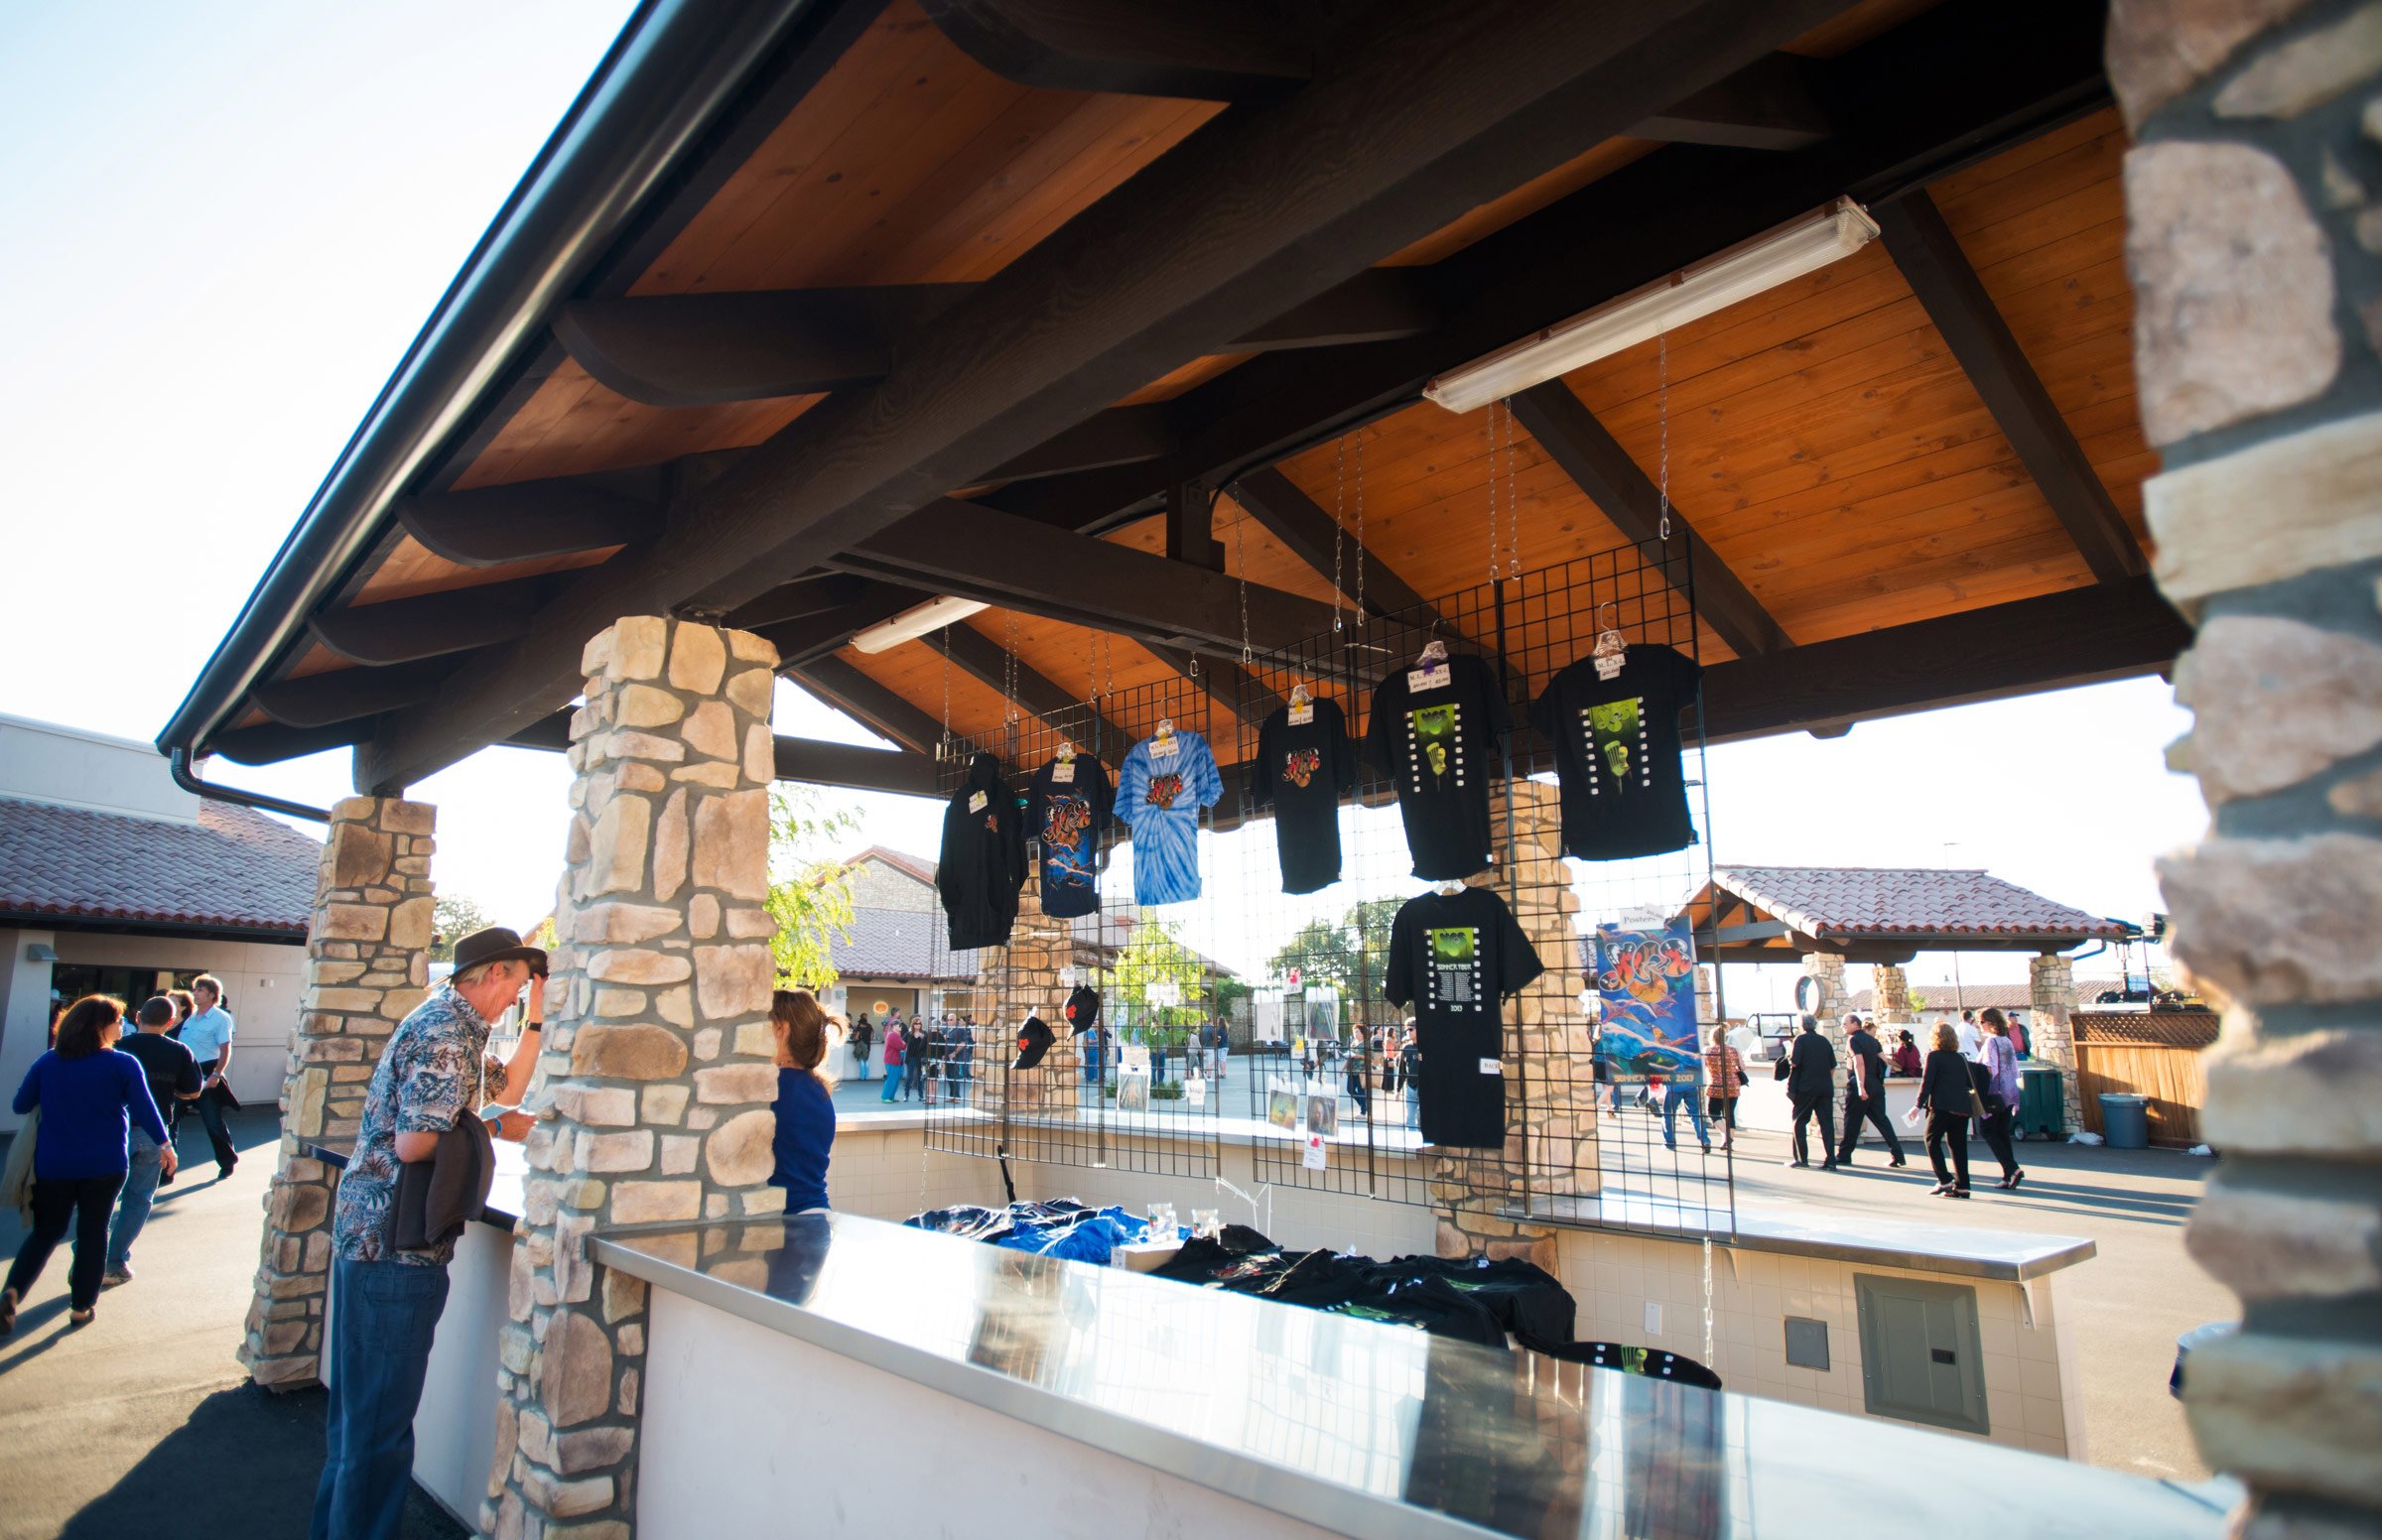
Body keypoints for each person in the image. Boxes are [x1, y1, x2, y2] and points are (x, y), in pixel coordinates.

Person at [313, 927, 545, 1540]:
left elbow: (507, 1090)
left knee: (357, 1426)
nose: (515, 999)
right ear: (493, 974)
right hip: (394, 1246)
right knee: (378, 1434)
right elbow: (416, 1141)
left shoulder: (453, 1024)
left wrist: (540, 1018)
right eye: (517, 987)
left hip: (372, 1238)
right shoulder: (446, 1032)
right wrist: (496, 1134)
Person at [3, 997, 175, 1333]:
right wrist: (165, 1145)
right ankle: (81, 1307)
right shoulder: (123, 1064)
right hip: (105, 1163)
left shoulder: (48, 1062)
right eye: (118, 1019)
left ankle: (12, 1291)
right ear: (101, 1026)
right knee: (94, 1233)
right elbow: (145, 1108)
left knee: (46, 1232)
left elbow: (21, 1103)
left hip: (53, 1163)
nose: (122, 1025)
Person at [104, 996, 203, 1285]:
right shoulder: (179, 1051)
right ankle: (114, 1262)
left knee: (102, 1201)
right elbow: (193, 1091)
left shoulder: (118, 1048)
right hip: (155, 1134)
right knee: (138, 1200)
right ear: (170, 1022)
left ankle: (86, 1260)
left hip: (115, 1130)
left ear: (137, 1017)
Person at [769, 989, 840, 1216]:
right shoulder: (819, 1088)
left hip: (787, 1224)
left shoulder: (774, 1088)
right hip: (817, 1214)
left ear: (782, 1028)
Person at [178, 973, 240, 1178]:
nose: (195, 993)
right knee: (170, 1119)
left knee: (213, 1122)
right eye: (195, 989)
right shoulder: (190, 1018)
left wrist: (216, 1074)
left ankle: (227, 1161)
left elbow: (225, 1048)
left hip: (206, 1072)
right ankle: (166, 1167)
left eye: (200, 990)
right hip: (184, 1073)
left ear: (212, 995)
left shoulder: (221, 1018)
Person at [1836, 1013, 1907, 1169]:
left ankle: (1844, 1155)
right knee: (1882, 1120)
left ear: (1855, 1024)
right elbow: (1883, 1060)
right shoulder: (1873, 1041)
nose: (1843, 1026)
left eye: (1845, 1023)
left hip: (1860, 1084)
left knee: (1852, 1120)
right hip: (1875, 1084)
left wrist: (1860, 1086)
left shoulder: (1853, 1040)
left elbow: (1859, 1063)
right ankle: (1898, 1155)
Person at [1918, 1020, 1975, 1199]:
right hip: (1962, 1108)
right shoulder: (1960, 1058)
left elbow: (1927, 1083)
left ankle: (1944, 1179)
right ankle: (1963, 1186)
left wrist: (1917, 1105)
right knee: (1958, 1147)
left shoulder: (1933, 1056)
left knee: (1931, 1140)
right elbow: (1967, 1082)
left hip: (1942, 1107)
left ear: (1935, 1038)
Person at [1974, 1007, 2026, 1191]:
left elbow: (1990, 1069)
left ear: (1991, 1022)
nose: (1980, 1025)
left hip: (1994, 1093)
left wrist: (1973, 1068)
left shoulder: (1991, 1042)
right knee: (2002, 1132)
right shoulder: (2006, 1041)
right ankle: (2008, 1174)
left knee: (1987, 1130)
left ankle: (2012, 1168)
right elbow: (2013, 1068)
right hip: (2010, 1092)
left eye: (1981, 1021)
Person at [1785, 1014, 1838, 1170]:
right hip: (1825, 1088)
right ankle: (1830, 1160)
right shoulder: (1824, 1041)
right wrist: (1826, 1079)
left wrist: (1789, 1055)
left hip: (1806, 1088)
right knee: (1827, 1124)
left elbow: (1795, 1062)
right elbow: (1832, 1065)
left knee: (1799, 1122)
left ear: (1801, 1025)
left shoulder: (1800, 1040)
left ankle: (1802, 1158)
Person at [1702, 1025, 1744, 1146]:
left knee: (1713, 1111)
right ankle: (1727, 1141)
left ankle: (1726, 1135)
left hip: (1716, 1085)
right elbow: (1742, 1066)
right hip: (1733, 1085)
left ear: (1712, 1037)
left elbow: (1702, 1064)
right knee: (1730, 1113)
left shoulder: (1709, 1050)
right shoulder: (1733, 1050)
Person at [1660, 1057, 1711, 1154]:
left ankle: (1669, 1143)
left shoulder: (1667, 1056)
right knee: (1695, 1115)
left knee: (1668, 1115)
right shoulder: (1688, 1055)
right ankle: (1705, 1140)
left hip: (1673, 1088)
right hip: (1691, 1086)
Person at [1343, 1027, 1372, 1120]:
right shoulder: (1353, 1043)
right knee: (1350, 1089)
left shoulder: (1367, 1043)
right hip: (1351, 1070)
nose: (1355, 1033)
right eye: (1354, 1032)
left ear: (1363, 1033)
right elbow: (1349, 1057)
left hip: (1361, 1071)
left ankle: (1363, 1112)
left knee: (1361, 1091)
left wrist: (1358, 1056)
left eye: (1357, 1031)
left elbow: (1370, 1058)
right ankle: (1364, 1105)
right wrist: (1342, 1069)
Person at [1399, 1023, 1421, 1130]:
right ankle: (1412, 1145)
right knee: (1410, 1119)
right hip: (1411, 1087)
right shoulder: (1406, 1048)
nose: (1408, 1031)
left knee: (1422, 1119)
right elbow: (1401, 1070)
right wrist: (1397, 1090)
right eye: (1406, 1029)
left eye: (1411, 1029)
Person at [879, 1018, 907, 1103]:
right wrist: (904, 1043)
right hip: (892, 1060)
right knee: (892, 1079)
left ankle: (890, 1097)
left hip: (894, 1060)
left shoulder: (893, 1034)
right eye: (899, 1025)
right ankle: (885, 1097)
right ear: (894, 1026)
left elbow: (901, 1045)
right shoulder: (893, 1035)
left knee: (894, 1079)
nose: (901, 1027)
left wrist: (903, 1043)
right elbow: (901, 1046)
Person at [904, 1015, 930, 1101]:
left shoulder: (925, 1033)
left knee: (921, 1077)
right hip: (911, 1057)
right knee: (909, 1077)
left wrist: (923, 1037)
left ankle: (921, 1096)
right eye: (916, 1023)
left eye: (919, 1024)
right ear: (913, 1024)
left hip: (921, 1059)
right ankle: (906, 1095)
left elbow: (929, 1044)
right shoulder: (909, 1033)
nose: (918, 1025)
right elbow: (902, 1041)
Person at [850, 1013, 873, 1081]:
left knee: (861, 1061)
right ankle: (867, 1077)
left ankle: (862, 1077)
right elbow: (871, 1037)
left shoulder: (859, 1028)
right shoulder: (870, 1027)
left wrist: (854, 1038)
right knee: (866, 1060)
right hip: (868, 1045)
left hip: (861, 1046)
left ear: (862, 1024)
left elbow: (856, 1037)